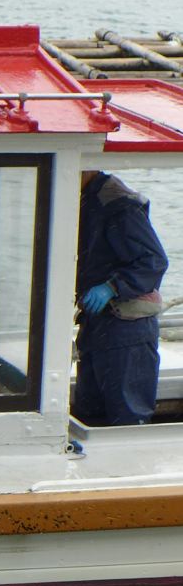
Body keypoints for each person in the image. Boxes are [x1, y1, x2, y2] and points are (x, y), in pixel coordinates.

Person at [73, 170, 170, 426]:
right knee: (88, 414)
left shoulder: (119, 205)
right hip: (96, 325)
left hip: (127, 331)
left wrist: (112, 287)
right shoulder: (86, 198)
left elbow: (153, 261)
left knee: (128, 418)